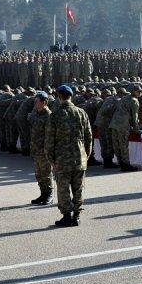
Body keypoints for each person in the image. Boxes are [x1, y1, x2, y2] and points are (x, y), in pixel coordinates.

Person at [45, 85, 92, 227]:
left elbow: (49, 140)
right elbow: (88, 137)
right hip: (79, 158)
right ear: (71, 96)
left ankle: (66, 216)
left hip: (62, 159)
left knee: (63, 188)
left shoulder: (55, 115)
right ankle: (76, 216)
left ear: (59, 97)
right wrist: (86, 155)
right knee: (78, 188)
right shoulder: (81, 113)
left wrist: (51, 160)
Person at [109, 85, 141, 172]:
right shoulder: (134, 101)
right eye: (138, 91)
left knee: (117, 144)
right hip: (123, 125)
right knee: (123, 145)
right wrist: (137, 129)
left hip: (114, 123)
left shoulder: (124, 98)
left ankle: (121, 162)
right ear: (133, 91)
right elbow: (135, 117)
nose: (139, 93)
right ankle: (126, 165)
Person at [29, 91, 53, 204]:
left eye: (37, 101)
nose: (35, 103)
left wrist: (48, 150)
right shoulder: (35, 113)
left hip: (44, 150)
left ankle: (49, 194)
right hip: (36, 148)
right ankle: (43, 194)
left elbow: (50, 134)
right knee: (38, 174)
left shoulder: (48, 115)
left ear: (44, 102)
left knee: (46, 174)